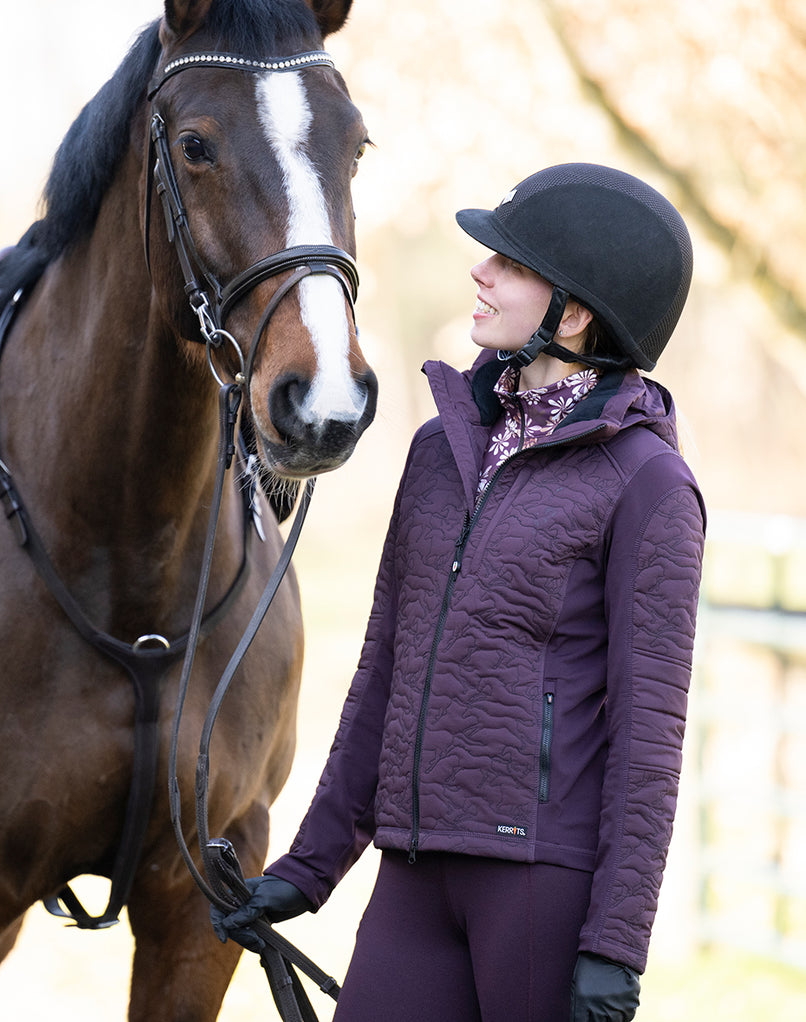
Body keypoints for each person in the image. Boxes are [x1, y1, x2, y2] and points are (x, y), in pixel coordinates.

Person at [212, 163, 705, 1022]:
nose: (480, 271)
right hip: (410, 873)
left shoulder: (649, 485)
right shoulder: (438, 452)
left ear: (576, 313)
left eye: (510, 265)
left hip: (539, 887)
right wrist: (307, 868)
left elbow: (649, 739)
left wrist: (616, 946)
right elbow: (383, 678)